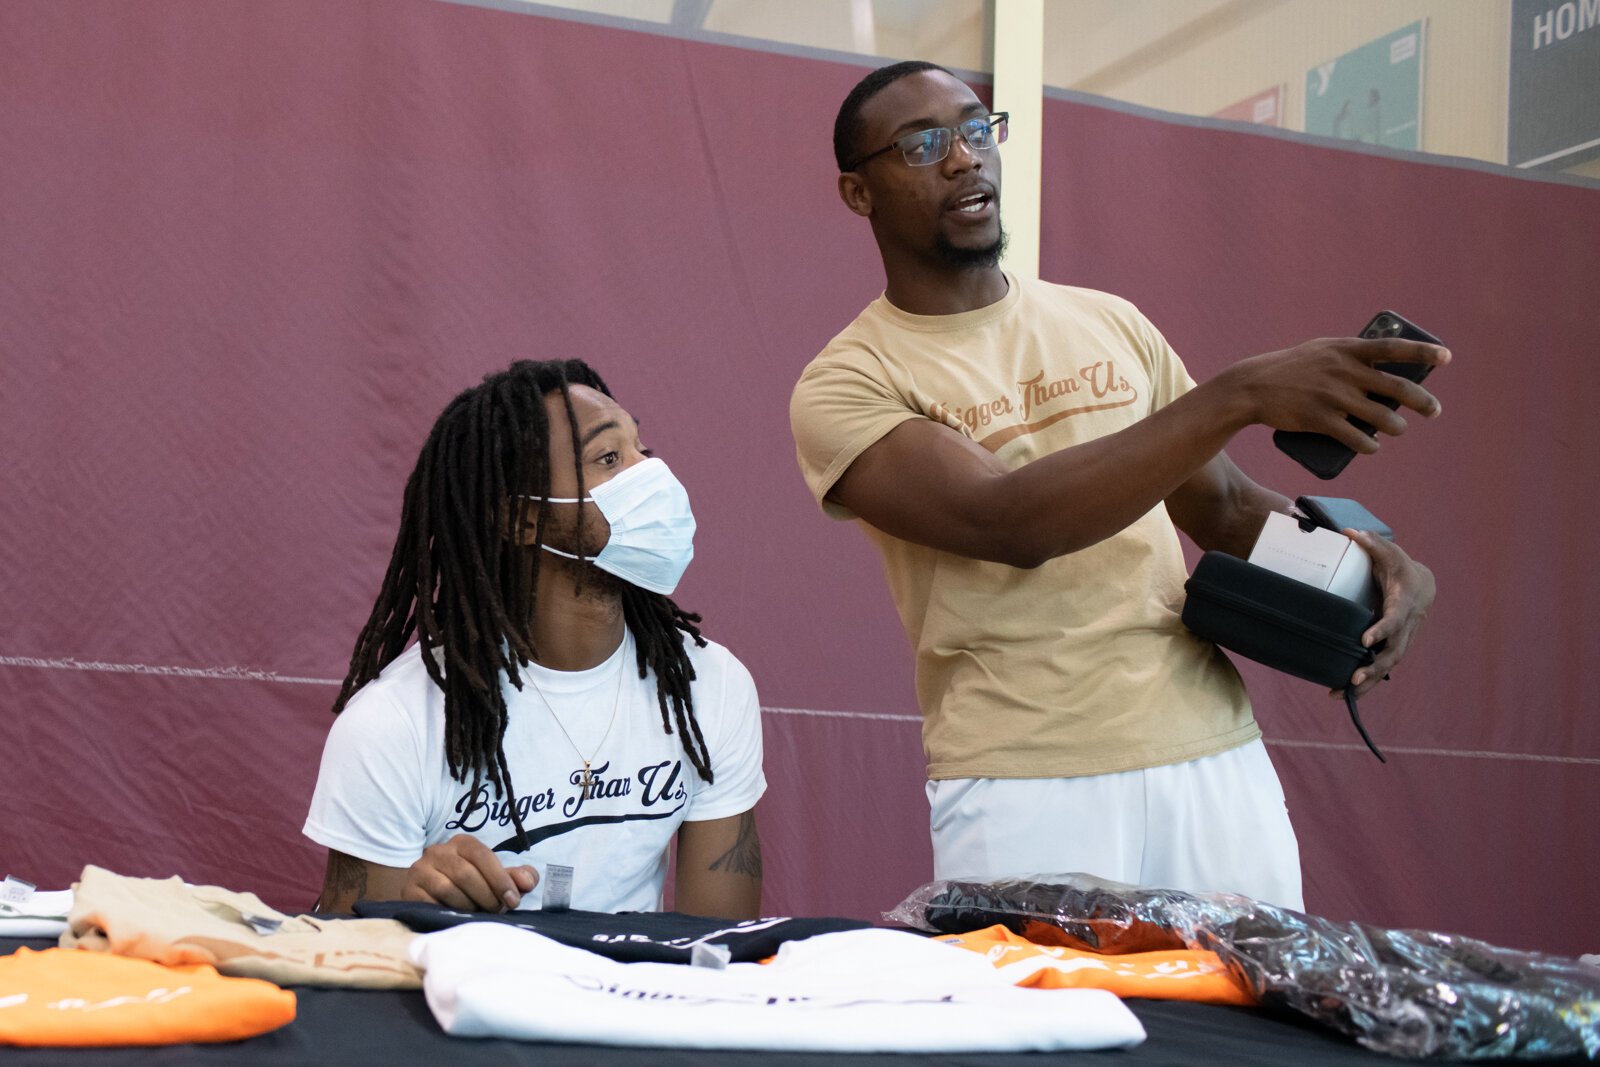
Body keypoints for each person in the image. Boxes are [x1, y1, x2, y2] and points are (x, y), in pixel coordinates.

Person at [788, 61, 1445, 910]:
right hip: (1026, 779)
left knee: (1248, 1035)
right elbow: (1011, 521)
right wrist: (1237, 394)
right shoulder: (846, 381)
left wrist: (1371, 571)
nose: (964, 159)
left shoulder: (1108, 320)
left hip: (1214, 753)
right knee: (1052, 1039)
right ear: (857, 192)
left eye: (978, 129)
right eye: (924, 144)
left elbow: (1225, 508)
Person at [305, 359, 765, 919]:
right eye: (609, 459)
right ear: (521, 520)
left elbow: (720, 946)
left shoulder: (710, 687)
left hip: (636, 999)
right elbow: (343, 961)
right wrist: (412, 903)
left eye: (642, 450)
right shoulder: (392, 723)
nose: (652, 475)